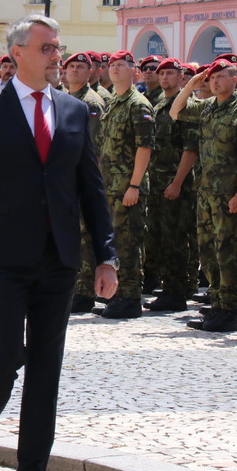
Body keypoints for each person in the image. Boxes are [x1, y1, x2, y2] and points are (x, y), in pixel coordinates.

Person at [0, 14, 118, 471]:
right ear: (18, 52)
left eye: (58, 48)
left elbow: (92, 190)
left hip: (59, 258)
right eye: (46, 48)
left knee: (47, 369)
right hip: (4, 257)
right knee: (5, 356)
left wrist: (106, 257)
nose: (55, 57)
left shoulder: (73, 111)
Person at [171, 59, 237, 333]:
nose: (215, 81)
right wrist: (193, 84)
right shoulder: (208, 107)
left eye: (221, 76)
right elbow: (176, 111)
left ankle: (230, 309)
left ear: (236, 79)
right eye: (212, 77)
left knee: (228, 251)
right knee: (208, 251)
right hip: (206, 192)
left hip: (229, 192)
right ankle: (217, 304)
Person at [95, 51, 154, 319]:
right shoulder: (113, 103)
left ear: (135, 72)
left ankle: (130, 297)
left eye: (122, 65)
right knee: (115, 241)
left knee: (128, 242)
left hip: (128, 186)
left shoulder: (137, 104)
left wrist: (135, 185)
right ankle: (118, 295)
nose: (116, 69)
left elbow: (145, 147)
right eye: (112, 65)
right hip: (111, 185)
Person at [143, 58, 199, 313]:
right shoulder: (157, 105)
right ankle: (166, 286)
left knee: (175, 238)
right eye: (161, 73)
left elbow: (190, 149)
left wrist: (177, 182)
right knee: (159, 237)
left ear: (181, 77)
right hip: (156, 182)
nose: (164, 77)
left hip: (176, 184)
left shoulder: (185, 106)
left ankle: (176, 291)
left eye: (170, 73)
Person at [61, 52, 108, 313]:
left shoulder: (91, 103)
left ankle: (85, 291)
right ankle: (76, 287)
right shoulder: (65, 99)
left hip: (83, 178)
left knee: (86, 236)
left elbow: (96, 149)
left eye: (81, 67)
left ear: (90, 72)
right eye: (71, 67)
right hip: (67, 178)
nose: (75, 71)